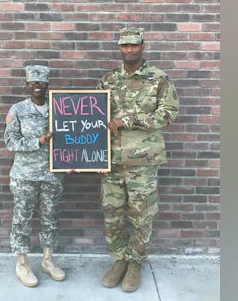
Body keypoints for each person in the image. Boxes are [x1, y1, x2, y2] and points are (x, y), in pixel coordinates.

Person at [95, 27, 180, 292]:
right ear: (120, 48)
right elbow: (92, 119)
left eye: (134, 45)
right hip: (111, 161)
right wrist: (86, 155)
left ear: (143, 46)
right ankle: (119, 260)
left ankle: (136, 263)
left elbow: (168, 113)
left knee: (142, 216)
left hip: (142, 161)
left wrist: (130, 120)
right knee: (112, 215)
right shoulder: (108, 80)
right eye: (124, 46)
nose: (129, 50)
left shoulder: (158, 78)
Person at [4, 65, 68, 287]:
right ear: (27, 85)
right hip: (25, 176)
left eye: (41, 81)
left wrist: (73, 158)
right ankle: (22, 264)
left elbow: (73, 137)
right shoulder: (18, 110)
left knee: (50, 218)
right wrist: (36, 141)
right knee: (22, 219)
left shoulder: (60, 109)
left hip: (52, 175)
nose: (37, 85)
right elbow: (10, 141)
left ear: (47, 85)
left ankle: (47, 261)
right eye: (33, 82)